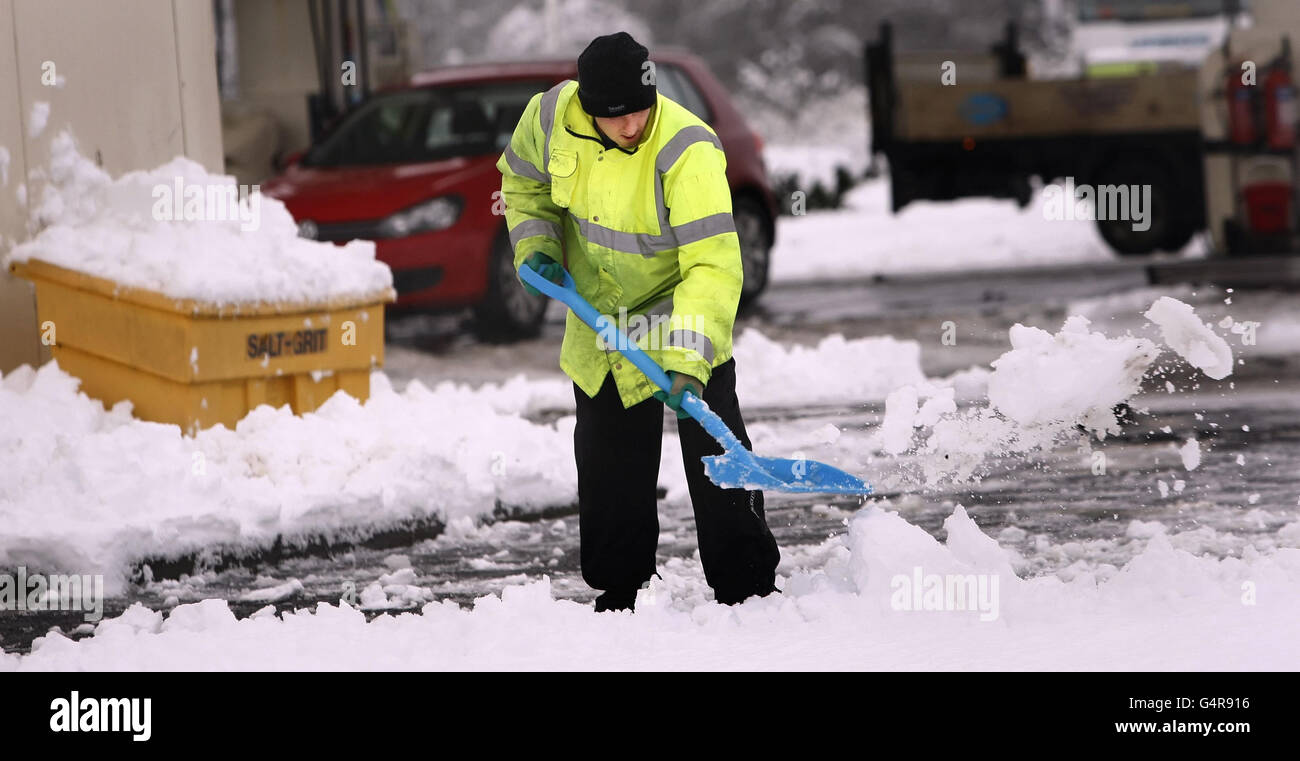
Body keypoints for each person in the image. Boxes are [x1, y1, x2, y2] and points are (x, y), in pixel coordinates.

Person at [496, 31, 779, 612]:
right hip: (596, 318)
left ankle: (747, 588)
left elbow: (713, 267)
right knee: (608, 464)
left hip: (677, 313)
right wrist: (536, 247)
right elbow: (523, 186)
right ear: (586, 105)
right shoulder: (549, 116)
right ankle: (618, 589)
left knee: (716, 455)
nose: (632, 126)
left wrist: (688, 362)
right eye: (616, 116)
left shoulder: (688, 149)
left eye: (641, 110)